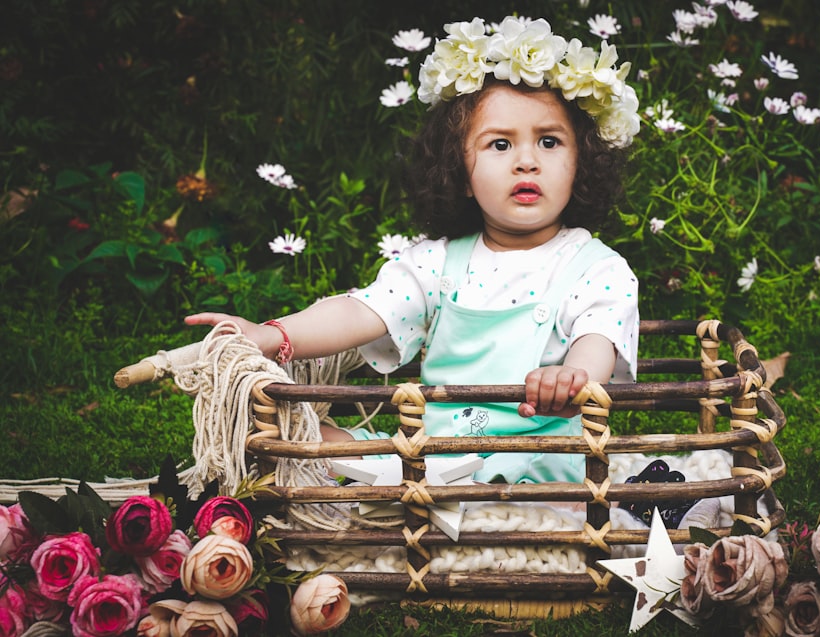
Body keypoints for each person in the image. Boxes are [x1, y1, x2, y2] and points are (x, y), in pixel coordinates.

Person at [185, 16, 642, 485]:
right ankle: (375, 472)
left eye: (549, 141)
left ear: (581, 162)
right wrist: (271, 334)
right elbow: (359, 312)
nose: (527, 160)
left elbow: (598, 339)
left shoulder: (595, 268)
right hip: (432, 457)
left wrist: (574, 378)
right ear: (460, 174)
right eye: (500, 144)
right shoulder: (438, 262)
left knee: (526, 487)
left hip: (539, 462)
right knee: (309, 438)